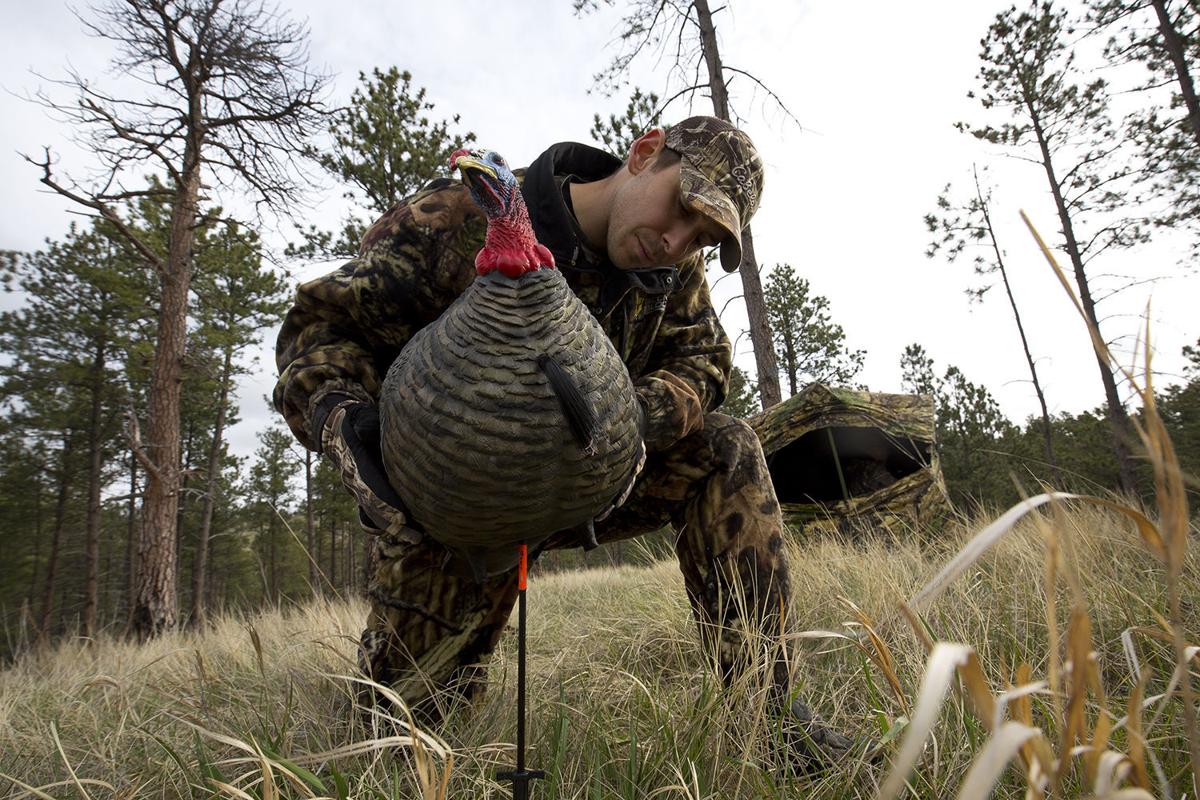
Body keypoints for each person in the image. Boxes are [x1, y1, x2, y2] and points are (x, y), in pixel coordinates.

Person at [274, 116, 859, 772]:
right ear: (643, 153)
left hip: (592, 482)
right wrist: (346, 421)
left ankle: (771, 717)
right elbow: (321, 328)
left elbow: (705, 359)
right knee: (405, 737)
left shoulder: (670, 270)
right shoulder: (456, 220)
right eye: (683, 210)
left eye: (702, 239)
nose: (676, 241)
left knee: (726, 447)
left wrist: (635, 418)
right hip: (459, 509)